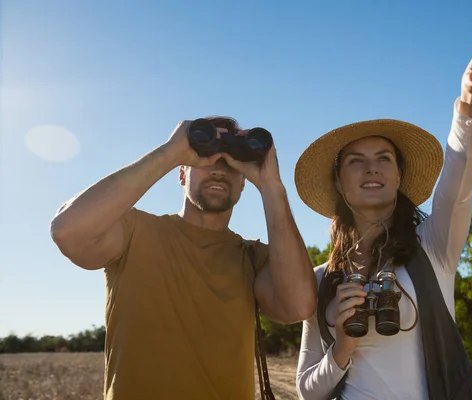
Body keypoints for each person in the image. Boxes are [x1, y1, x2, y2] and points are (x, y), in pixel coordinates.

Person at [294, 4, 472, 400]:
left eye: (384, 159)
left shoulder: (433, 245)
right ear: (339, 183)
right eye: (356, 162)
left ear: (398, 177)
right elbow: (306, 391)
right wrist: (342, 349)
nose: (372, 169)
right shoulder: (320, 279)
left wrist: (471, 106)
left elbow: (460, 179)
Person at [49, 116, 317, 399]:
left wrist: (271, 186)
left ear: (243, 184)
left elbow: (297, 306)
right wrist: (169, 152)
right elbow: (68, 232)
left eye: (230, 164)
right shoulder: (134, 232)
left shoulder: (252, 257)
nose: (218, 170)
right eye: (205, 158)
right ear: (181, 174)